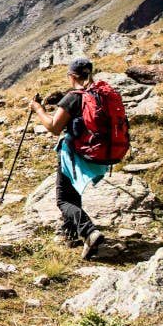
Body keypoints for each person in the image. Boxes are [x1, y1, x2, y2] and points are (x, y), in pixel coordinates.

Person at [28, 57, 107, 259]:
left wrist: (39, 110)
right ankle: (70, 233)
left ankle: (89, 231)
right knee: (73, 194)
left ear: (72, 76)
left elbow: (54, 127)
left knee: (63, 199)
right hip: (99, 151)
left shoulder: (74, 97)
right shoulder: (101, 94)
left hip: (76, 153)